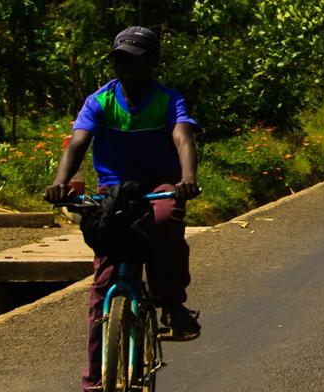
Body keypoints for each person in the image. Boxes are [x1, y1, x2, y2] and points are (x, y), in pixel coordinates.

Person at [45, 26, 201, 392]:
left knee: (165, 221)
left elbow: (183, 138)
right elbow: (77, 144)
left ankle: (172, 303)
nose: (124, 66)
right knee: (103, 282)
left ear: (152, 62)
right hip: (114, 191)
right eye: (119, 59)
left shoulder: (168, 100)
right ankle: (95, 382)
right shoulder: (99, 101)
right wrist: (61, 181)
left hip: (159, 185)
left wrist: (187, 178)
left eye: (133, 59)